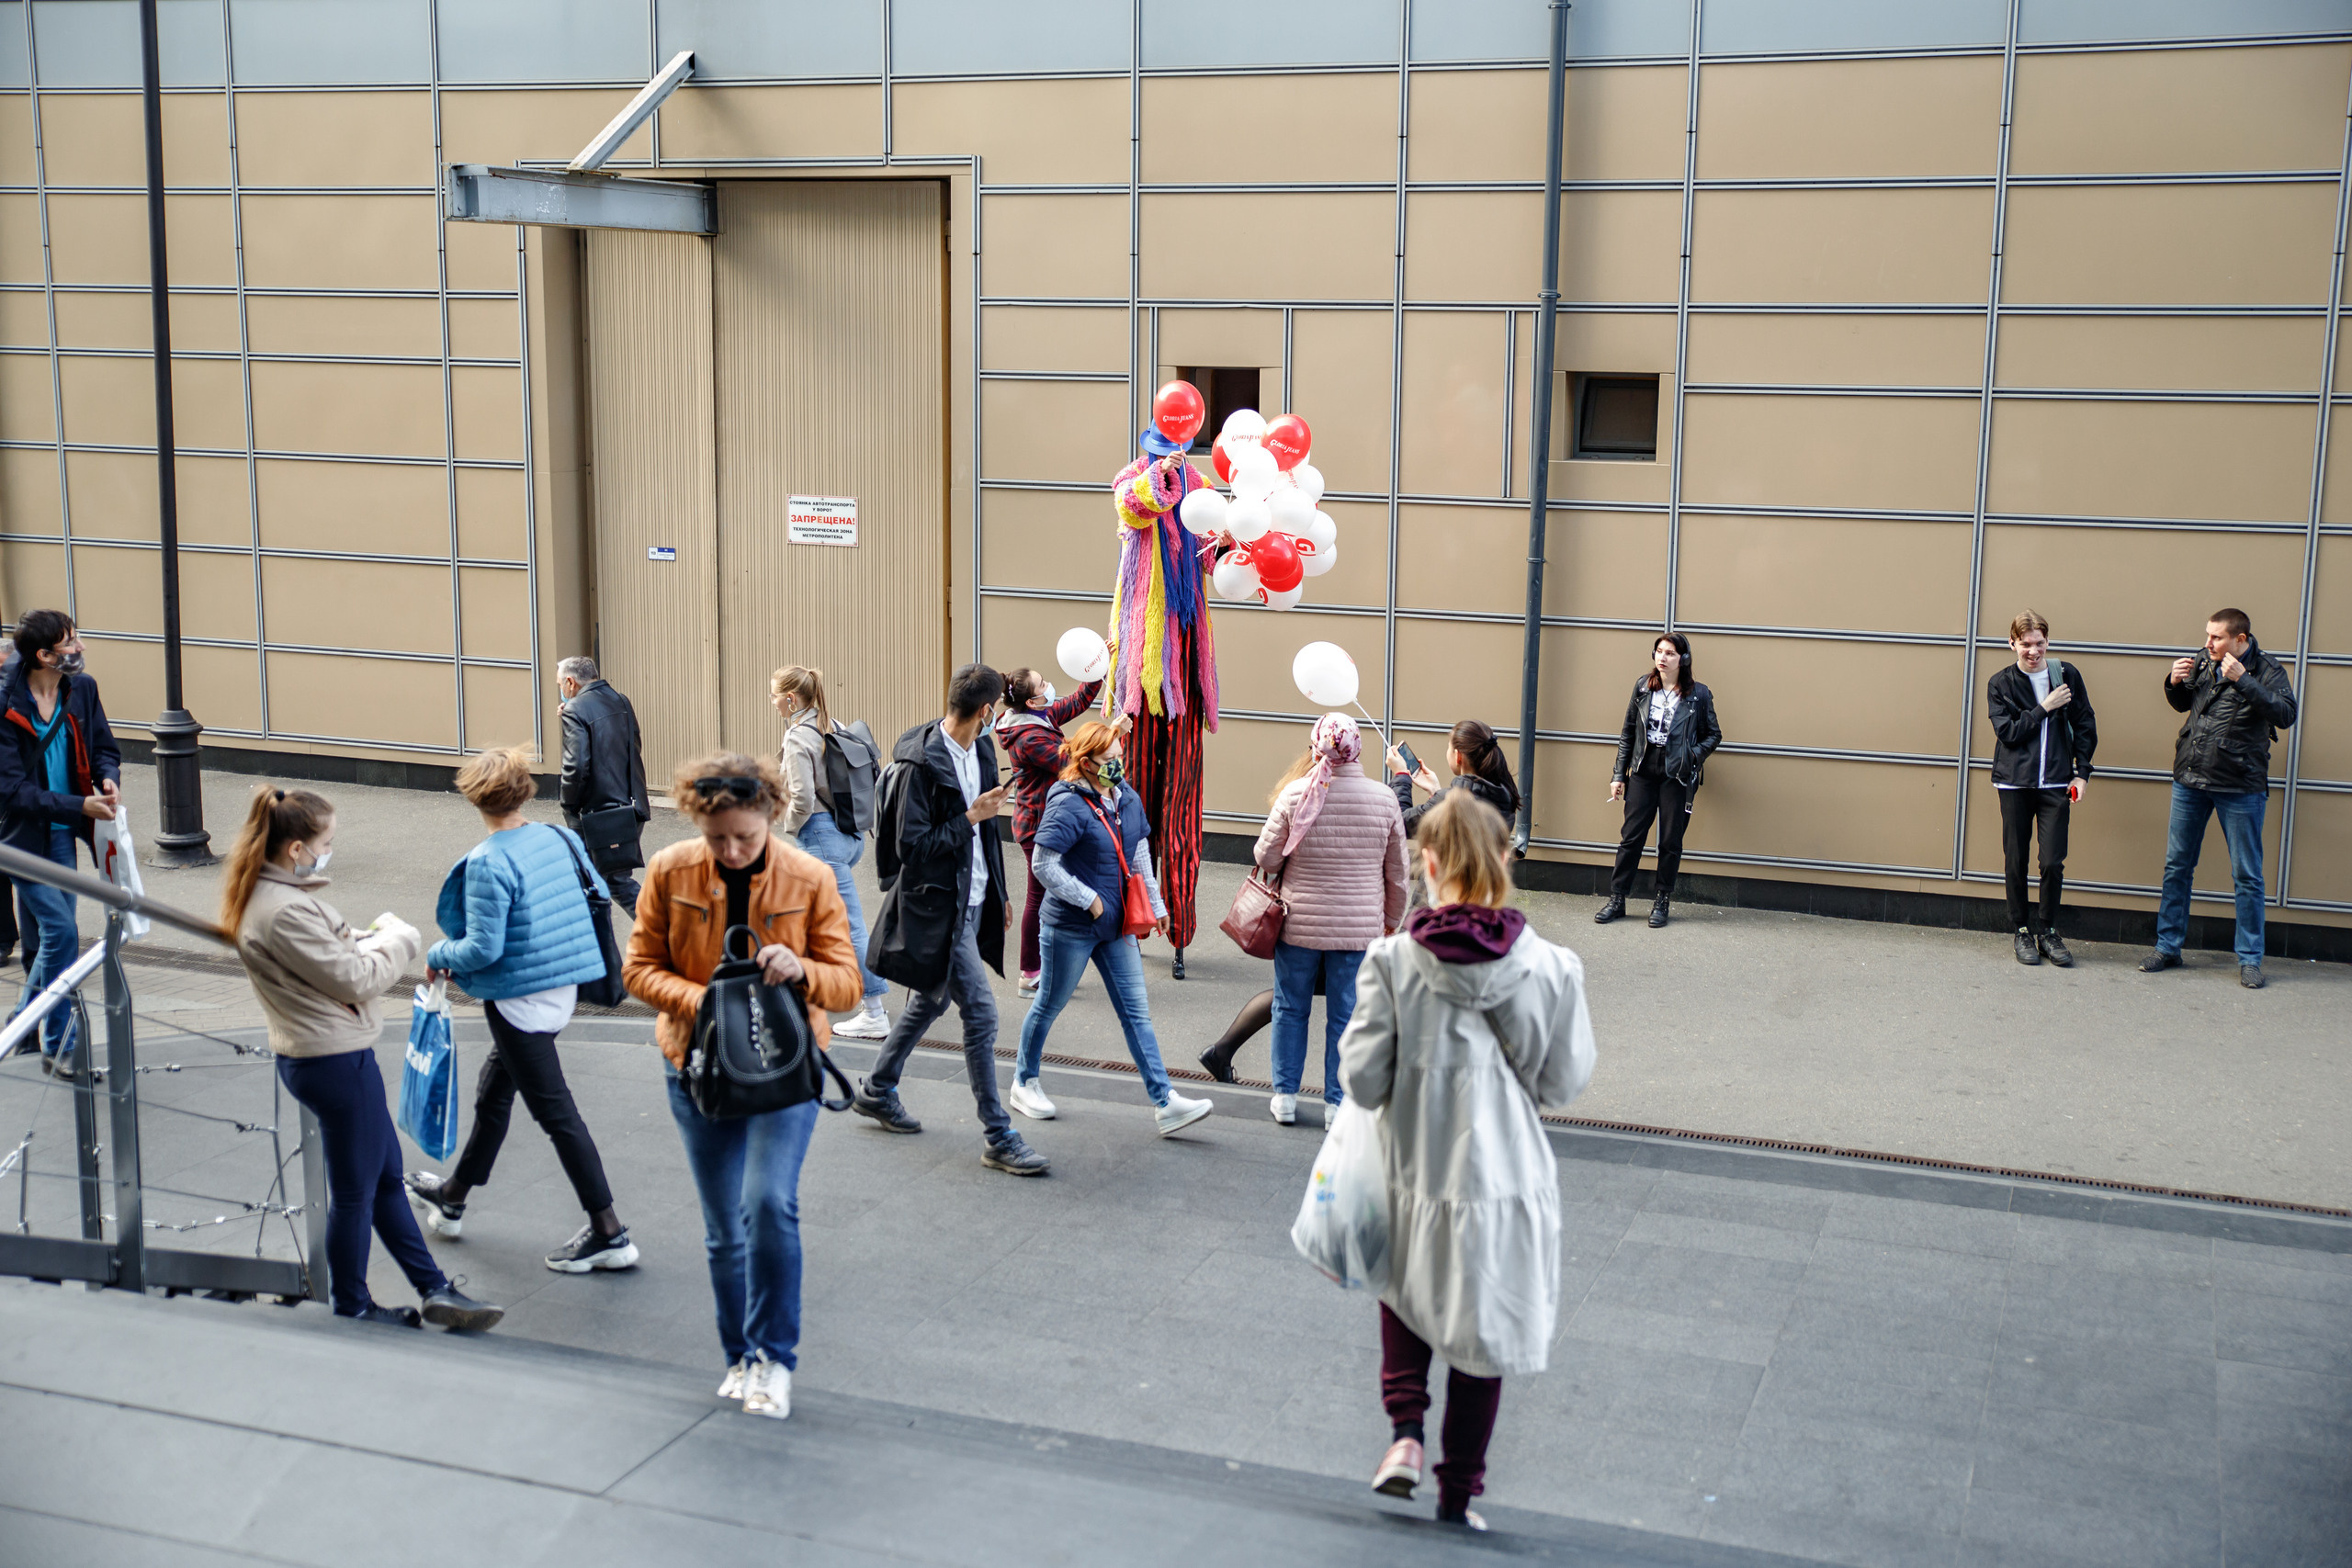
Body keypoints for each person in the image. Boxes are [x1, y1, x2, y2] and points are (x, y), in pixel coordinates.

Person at [1340, 790, 1595, 1530]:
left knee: (1408, 1288)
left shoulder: (1391, 960)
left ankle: (1405, 1437)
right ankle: (1458, 1496)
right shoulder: (1549, 967)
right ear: (1503, 861)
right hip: (1504, 1175)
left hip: (1413, 1162)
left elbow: (1359, 1079)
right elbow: (1562, 1081)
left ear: (1427, 862)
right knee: (1484, 1331)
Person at [623, 753, 864, 1419]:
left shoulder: (810, 876)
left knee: (768, 1204)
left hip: (785, 1071)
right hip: (697, 1070)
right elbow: (639, 968)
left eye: (745, 837)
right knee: (724, 1229)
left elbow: (847, 983)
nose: (731, 850)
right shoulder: (671, 870)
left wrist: (804, 970)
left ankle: (775, 1359)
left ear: (772, 817)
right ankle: (740, 1356)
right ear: (698, 822)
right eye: (717, 837)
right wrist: (705, 1005)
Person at [222, 784, 503, 1331]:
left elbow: (336, 954)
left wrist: (365, 939)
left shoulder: (268, 895)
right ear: (296, 849)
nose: (331, 848)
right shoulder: (282, 910)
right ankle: (353, 1304)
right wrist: (400, 940)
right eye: (325, 840)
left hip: (325, 1056)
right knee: (358, 1190)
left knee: (380, 1178)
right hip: (334, 1059)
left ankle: (433, 1288)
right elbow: (355, 976)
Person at [403, 747, 638, 1275]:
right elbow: (596, 894)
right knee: (495, 1093)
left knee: (558, 1115)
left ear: (474, 798)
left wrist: (438, 955)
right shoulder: (560, 836)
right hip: (562, 987)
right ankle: (454, 1195)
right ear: (526, 790)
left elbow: (483, 950)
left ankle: (609, 1231)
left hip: (520, 1001)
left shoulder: (490, 860)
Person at [855, 665, 1050, 1175]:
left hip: (974, 897)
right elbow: (912, 849)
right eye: (994, 714)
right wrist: (969, 818)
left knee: (930, 1000)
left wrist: (1001, 893)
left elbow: (988, 835)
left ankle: (877, 1088)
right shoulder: (920, 765)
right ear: (986, 712)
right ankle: (998, 1134)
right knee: (982, 1014)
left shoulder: (983, 751)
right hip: (940, 906)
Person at [1008, 719, 1212, 1134]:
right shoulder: (1065, 802)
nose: (1118, 766)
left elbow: (1138, 856)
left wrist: (1155, 904)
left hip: (1116, 926)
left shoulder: (1127, 797)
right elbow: (1043, 864)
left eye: (1119, 757)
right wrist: (1090, 900)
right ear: (1084, 763)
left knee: (1137, 1014)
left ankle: (1165, 1101)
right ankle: (1024, 1081)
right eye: (1109, 760)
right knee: (1048, 1003)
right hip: (1071, 926)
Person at [1252, 713, 1407, 1128]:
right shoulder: (1384, 799)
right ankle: (1336, 1104)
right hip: (1358, 930)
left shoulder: (1294, 794)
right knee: (1345, 1014)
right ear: (1357, 747)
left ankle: (1285, 1096)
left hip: (1298, 923)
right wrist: (1391, 919)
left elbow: (1266, 858)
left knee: (1290, 1006)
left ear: (1315, 745)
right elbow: (1397, 873)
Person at [2143, 607, 2299, 988]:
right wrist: (2174, 682)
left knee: (2247, 875)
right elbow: (2186, 706)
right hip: (2191, 778)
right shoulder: (2203, 659)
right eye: (2207, 636)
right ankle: (2168, 947)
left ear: (2240, 640)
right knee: (2177, 866)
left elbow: (2285, 714)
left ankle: (2250, 959)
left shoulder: (2266, 669)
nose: (2207, 643)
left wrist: (2243, 680)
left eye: (2217, 637)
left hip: (2240, 785)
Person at [0, 610, 120, 1074]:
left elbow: (104, 745)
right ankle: (58, 1043)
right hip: (15, 839)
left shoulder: (81, 689)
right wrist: (79, 807)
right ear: (44, 655)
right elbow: (11, 792)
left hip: (60, 836)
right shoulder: (5, 701)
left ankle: (21, 1021)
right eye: (70, 642)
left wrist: (107, 779)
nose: (80, 648)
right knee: (62, 932)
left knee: (54, 938)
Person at [773, 664, 891, 1041]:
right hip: (850, 834)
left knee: (848, 926)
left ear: (791, 699)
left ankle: (873, 1011)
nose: (772, 702)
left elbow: (803, 798)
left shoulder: (797, 738)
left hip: (820, 840)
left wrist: (787, 826)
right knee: (802, 915)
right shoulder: (833, 725)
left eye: (774, 695)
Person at [1987, 612, 2098, 968]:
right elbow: (2010, 733)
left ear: (2047, 641)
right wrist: (2045, 708)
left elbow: (2085, 724)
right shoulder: (2000, 683)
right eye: (2025, 644)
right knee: (2015, 860)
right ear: (2012, 643)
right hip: (2014, 783)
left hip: (2056, 783)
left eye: (2039, 643)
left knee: (2052, 861)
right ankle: (2021, 930)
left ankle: (2048, 931)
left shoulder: (2066, 675)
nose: (2033, 651)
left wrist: (2083, 773)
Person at [1598, 631, 1721, 930]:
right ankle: (1618, 898)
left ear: (1683, 659)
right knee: (1631, 837)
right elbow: (1628, 732)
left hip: (1676, 775)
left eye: (1670, 653)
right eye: (1659, 652)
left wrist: (1692, 756)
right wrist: (1619, 775)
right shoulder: (1643, 686)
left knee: (1669, 841)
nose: (1662, 658)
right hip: (1643, 768)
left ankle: (1661, 900)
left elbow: (1713, 735)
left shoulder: (1698, 695)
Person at [996, 664, 1104, 997]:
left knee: (1056, 894)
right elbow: (1071, 764)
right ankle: (1030, 973)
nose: (1049, 685)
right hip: (1037, 827)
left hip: (1052, 823)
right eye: (1042, 684)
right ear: (1032, 701)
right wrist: (1111, 737)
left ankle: (1052, 965)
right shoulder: (1029, 736)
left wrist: (1097, 666)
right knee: (1038, 897)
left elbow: (1076, 701)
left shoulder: (1039, 716)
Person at [557, 656, 650, 916]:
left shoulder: (575, 710)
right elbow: (633, 746)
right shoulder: (620, 700)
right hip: (629, 806)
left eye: (560, 685)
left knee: (607, 883)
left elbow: (576, 766)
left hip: (598, 814)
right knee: (604, 882)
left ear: (570, 682)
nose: (561, 692)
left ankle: (668, 938)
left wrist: (568, 804)